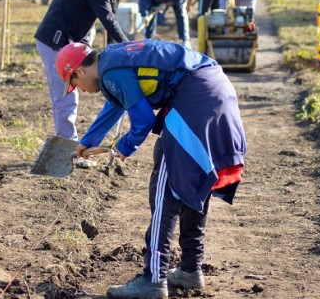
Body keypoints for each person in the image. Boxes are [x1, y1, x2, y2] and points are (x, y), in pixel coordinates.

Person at [56, 40, 246, 299]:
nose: (80, 90)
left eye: (74, 85)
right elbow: (118, 102)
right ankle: (190, 268)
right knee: (193, 179)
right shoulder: (112, 59)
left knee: (164, 189)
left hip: (194, 100)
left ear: (79, 72)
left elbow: (143, 120)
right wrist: (89, 140)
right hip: (215, 89)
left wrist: (124, 146)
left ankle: (153, 279)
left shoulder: (111, 73)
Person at [33, 0, 144, 140]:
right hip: (55, 40)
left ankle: (66, 142)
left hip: (64, 40)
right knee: (66, 95)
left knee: (66, 96)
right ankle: (67, 147)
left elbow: (85, 21)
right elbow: (108, 20)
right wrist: (129, 47)